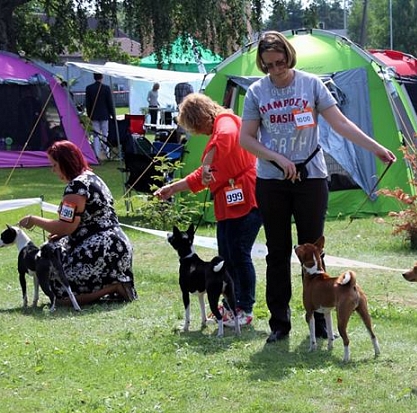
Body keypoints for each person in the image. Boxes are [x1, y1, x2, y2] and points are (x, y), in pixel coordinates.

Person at [239, 30, 396, 344]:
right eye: (268, 65)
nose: (275, 70)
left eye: (280, 62)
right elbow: (246, 139)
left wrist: (375, 147)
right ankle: (279, 324)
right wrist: (278, 159)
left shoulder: (311, 85)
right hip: (272, 181)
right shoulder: (256, 92)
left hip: (311, 178)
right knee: (278, 253)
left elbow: (340, 123)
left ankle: (322, 322)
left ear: (289, 56)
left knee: (314, 252)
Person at [154, 93, 261, 327]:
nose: (198, 132)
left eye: (195, 126)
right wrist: (174, 188)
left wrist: (207, 161)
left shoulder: (226, 124)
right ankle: (231, 305)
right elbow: (203, 176)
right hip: (227, 203)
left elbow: (220, 147)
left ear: (201, 117)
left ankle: (245, 307)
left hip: (246, 198)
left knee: (239, 254)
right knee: (225, 255)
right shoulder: (217, 130)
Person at [17, 140, 135, 305]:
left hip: (102, 249)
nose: (53, 170)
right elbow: (79, 223)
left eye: (54, 165)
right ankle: (114, 285)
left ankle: (115, 287)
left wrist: (34, 220)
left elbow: (66, 226)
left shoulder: (76, 187)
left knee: (57, 291)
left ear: (65, 163)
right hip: (117, 247)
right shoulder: (92, 177)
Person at [84, 73, 115, 161]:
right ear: (102, 77)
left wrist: (89, 114)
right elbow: (110, 103)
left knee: (96, 135)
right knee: (105, 134)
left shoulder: (89, 88)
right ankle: (107, 152)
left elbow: (88, 103)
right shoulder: (106, 88)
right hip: (105, 114)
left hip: (94, 115)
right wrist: (113, 114)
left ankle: (96, 154)